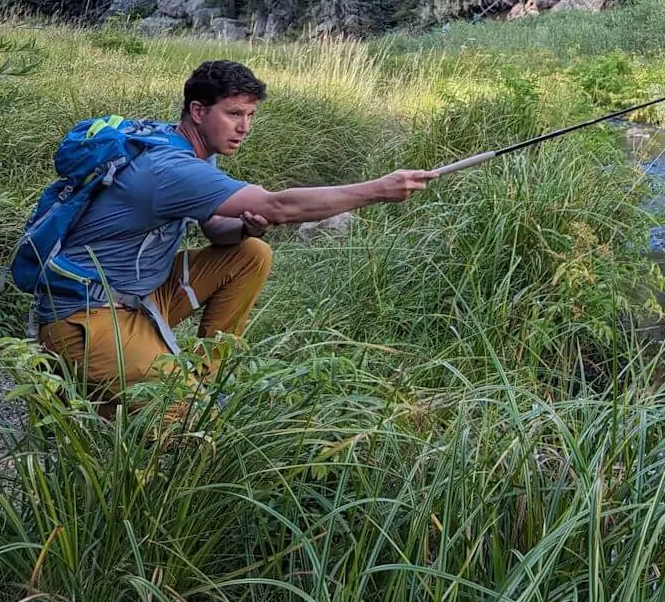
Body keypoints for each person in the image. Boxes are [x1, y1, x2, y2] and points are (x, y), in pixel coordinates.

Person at [28, 59, 432, 410]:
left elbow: (217, 231)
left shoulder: (185, 148)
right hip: (85, 316)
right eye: (235, 113)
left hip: (136, 295)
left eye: (251, 116)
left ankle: (206, 379)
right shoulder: (171, 169)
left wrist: (241, 228)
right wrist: (378, 190)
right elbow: (280, 206)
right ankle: (139, 393)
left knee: (250, 252)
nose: (245, 127)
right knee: (189, 428)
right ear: (198, 111)